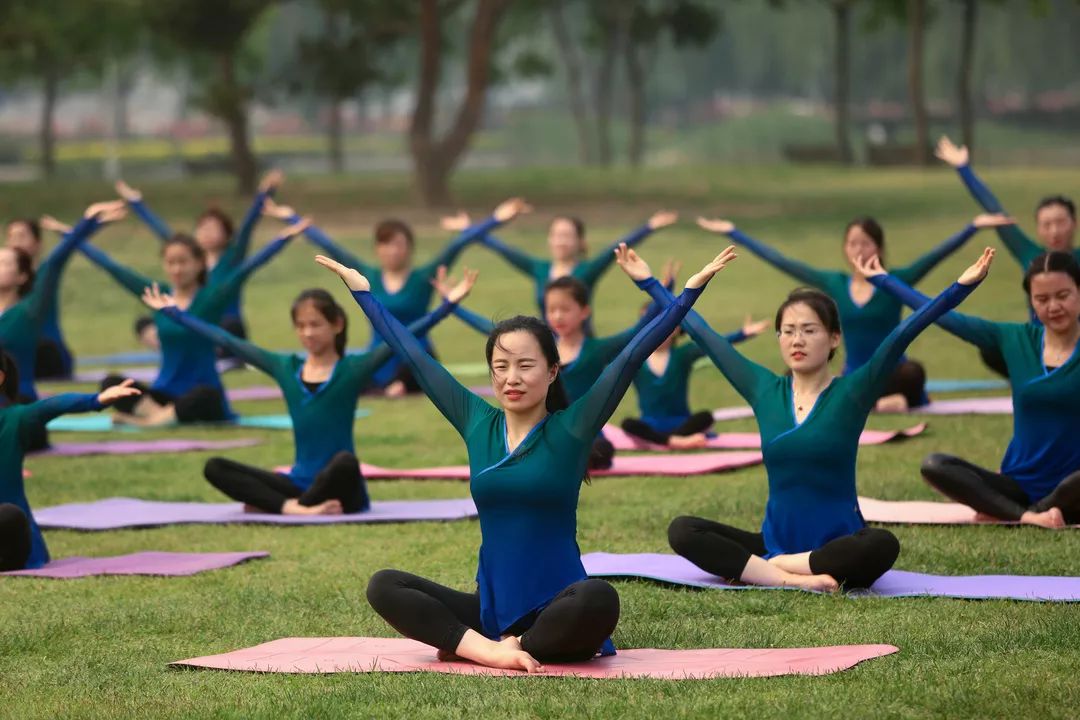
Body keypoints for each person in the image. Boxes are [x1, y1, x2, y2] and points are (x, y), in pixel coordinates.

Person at [317, 243, 734, 673]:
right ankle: (491, 649)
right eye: (501, 366)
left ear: (552, 371)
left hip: (559, 606)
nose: (511, 378)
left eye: (525, 365)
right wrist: (364, 294)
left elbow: (629, 357)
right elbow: (414, 356)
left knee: (599, 598)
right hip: (490, 611)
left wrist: (683, 292)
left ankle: (511, 644)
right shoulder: (476, 420)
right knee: (385, 585)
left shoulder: (571, 429)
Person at [621, 245, 993, 591]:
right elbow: (705, 336)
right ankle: (791, 577)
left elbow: (903, 333)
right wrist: (651, 284)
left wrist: (960, 287)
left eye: (809, 330)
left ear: (833, 339)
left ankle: (781, 567)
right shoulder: (764, 389)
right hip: (773, 542)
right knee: (684, 531)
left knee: (881, 544)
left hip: (838, 544)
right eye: (788, 331)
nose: (797, 340)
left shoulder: (853, 391)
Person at [139, 268, 477, 515]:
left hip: (345, 491)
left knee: (344, 462)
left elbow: (404, 336)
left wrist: (447, 306)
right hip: (299, 483)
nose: (307, 333)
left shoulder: (352, 369)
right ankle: (295, 507)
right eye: (301, 326)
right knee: (215, 466)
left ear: (337, 325)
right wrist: (175, 314)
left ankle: (291, 506)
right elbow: (227, 340)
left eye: (315, 324)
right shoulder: (285, 367)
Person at [697, 212, 1010, 411]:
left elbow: (935, 256)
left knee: (914, 373)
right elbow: (783, 262)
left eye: (865, 243)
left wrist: (971, 228)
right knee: (796, 375)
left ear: (879, 247)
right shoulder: (835, 283)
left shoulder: (895, 279)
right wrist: (734, 233)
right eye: (852, 244)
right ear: (845, 249)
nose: (858, 250)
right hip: (854, 375)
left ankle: (884, 401)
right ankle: (883, 404)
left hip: (893, 374)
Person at [860, 250, 1080, 529]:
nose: (1053, 306)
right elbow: (947, 319)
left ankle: (1024, 512)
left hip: (1074, 486)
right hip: (1017, 484)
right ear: (1031, 302)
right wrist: (884, 280)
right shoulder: (1014, 338)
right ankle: (1032, 514)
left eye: (1063, 295)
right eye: (1042, 299)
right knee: (935, 465)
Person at [264, 197, 529, 395]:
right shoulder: (367, 275)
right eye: (385, 245)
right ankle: (389, 387)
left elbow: (458, 244)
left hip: (414, 356)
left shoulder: (422, 277)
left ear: (409, 248)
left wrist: (497, 218)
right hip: (378, 356)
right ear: (377, 249)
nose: (392, 251)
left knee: (408, 378)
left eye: (398, 244)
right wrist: (291, 218)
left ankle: (400, 386)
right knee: (350, 379)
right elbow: (329, 244)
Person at [79, 217, 309, 426]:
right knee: (112, 383)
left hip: (201, 393)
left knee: (205, 397)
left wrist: (283, 239)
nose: (177, 269)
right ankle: (160, 416)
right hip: (164, 392)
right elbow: (116, 270)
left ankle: (150, 421)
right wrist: (76, 236)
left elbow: (246, 269)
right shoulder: (158, 296)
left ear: (199, 263)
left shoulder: (211, 297)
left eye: (183, 262)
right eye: (170, 263)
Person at [0, 348, 141, 571]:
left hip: (8, 538)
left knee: (7, 515)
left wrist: (96, 400)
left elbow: (52, 405)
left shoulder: (15, 418)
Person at [0, 203, 125, 452]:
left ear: (22, 277)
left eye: (4, 264)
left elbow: (56, 262)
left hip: (18, 408)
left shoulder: (28, 311)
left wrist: (87, 222)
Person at [114, 169, 284, 349]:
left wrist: (265, 193)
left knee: (228, 327)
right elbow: (162, 231)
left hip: (224, 326)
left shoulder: (231, 259)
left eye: (213, 229)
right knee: (145, 322)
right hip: (191, 322)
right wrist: (136, 202)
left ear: (226, 235)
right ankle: (176, 346)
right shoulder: (189, 258)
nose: (206, 233)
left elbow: (247, 228)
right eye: (202, 228)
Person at [621, 262, 769, 449]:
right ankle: (675, 441)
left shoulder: (683, 354)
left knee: (705, 417)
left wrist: (743, 333)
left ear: (676, 329)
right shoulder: (634, 357)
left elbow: (713, 343)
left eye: (665, 323)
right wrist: (665, 287)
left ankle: (668, 440)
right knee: (628, 424)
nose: (658, 330)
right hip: (650, 425)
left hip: (682, 423)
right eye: (651, 323)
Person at [447, 209, 677, 324]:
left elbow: (614, 249)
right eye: (556, 235)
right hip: (546, 346)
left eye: (567, 236)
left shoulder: (586, 270)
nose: (561, 241)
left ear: (580, 242)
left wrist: (649, 227)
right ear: (549, 239)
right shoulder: (539, 268)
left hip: (581, 346)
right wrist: (469, 229)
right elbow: (504, 250)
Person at [6, 217, 73, 379]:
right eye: (11, 237)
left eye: (22, 236)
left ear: (38, 244)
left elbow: (59, 257)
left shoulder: (44, 275)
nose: (15, 243)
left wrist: (82, 225)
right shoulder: (5, 283)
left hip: (47, 356)